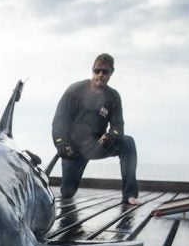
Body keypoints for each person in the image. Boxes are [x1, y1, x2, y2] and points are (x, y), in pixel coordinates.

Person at [51, 53, 140, 204]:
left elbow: (118, 126)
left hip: (98, 145)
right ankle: (67, 188)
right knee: (67, 193)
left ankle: (130, 194)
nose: (100, 75)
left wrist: (112, 136)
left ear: (111, 73)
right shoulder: (74, 90)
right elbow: (59, 120)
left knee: (128, 143)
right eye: (97, 70)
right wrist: (60, 142)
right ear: (92, 70)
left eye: (105, 72)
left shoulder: (113, 97)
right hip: (73, 149)